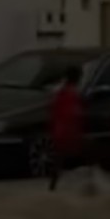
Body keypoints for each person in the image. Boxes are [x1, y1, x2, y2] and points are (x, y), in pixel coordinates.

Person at [48, 64, 85, 192]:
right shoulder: (72, 93)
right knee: (84, 156)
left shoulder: (61, 92)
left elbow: (55, 112)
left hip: (60, 130)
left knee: (60, 159)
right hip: (69, 131)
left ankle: (53, 186)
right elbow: (73, 113)